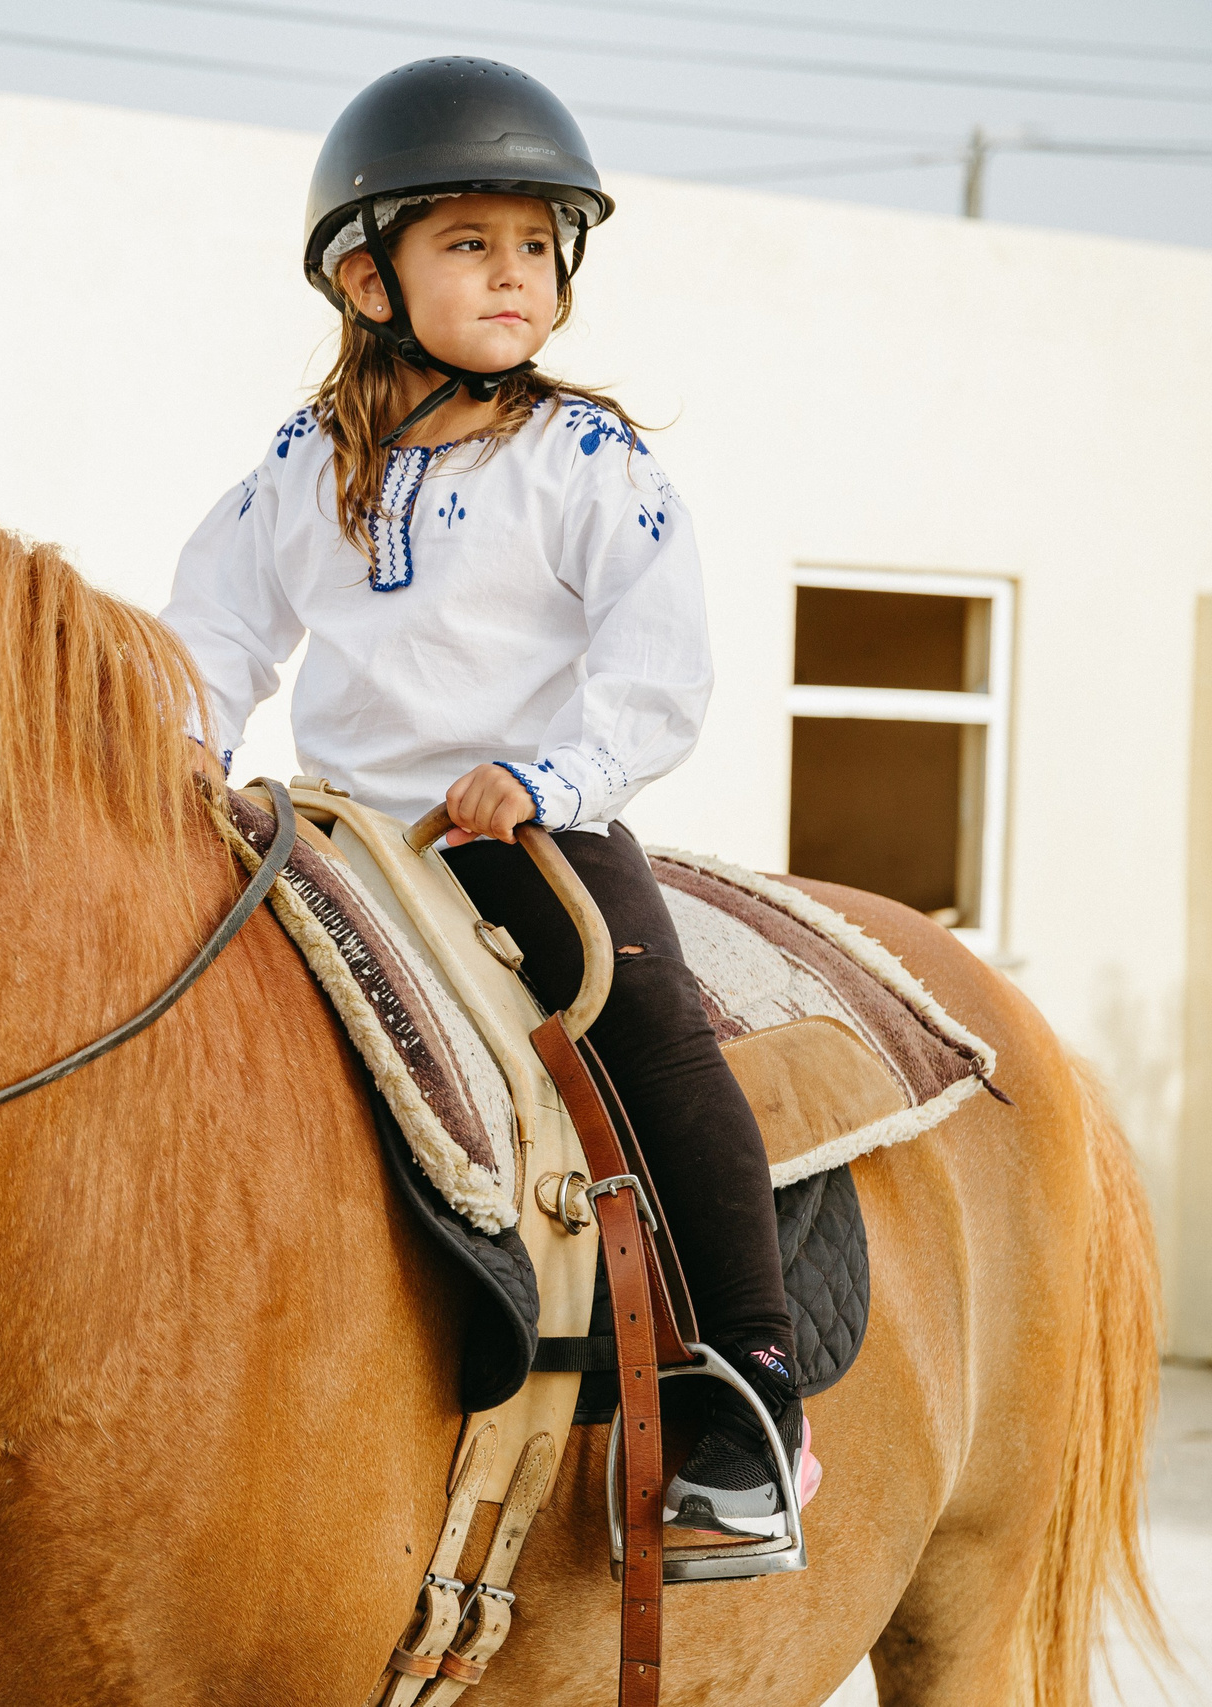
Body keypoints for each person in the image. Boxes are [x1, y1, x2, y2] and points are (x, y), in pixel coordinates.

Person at [159, 57, 811, 1541]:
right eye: (470, 243)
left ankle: (757, 1391)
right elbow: (216, 637)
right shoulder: (305, 463)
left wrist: (546, 776)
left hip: (523, 828)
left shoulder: (584, 455)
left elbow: (658, 668)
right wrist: (182, 748)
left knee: (650, 1025)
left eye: (536, 245)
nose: (515, 275)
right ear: (364, 276)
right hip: (333, 837)